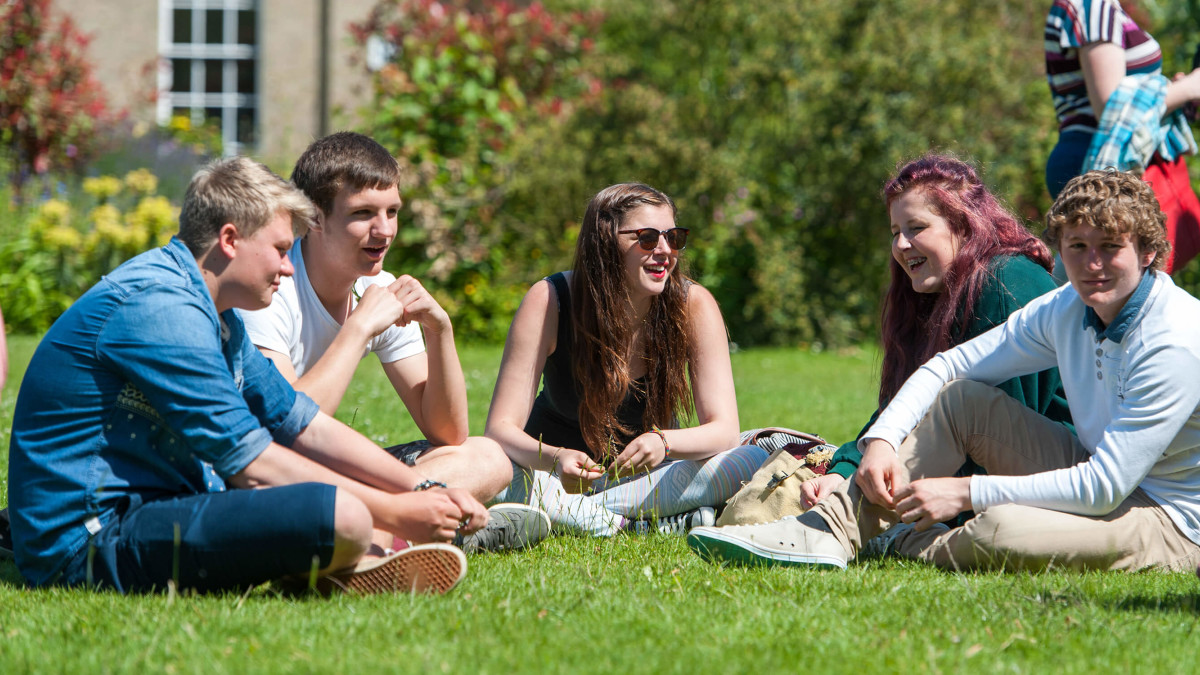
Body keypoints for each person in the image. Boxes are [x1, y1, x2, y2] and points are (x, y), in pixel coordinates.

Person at [7, 157, 487, 594]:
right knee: (345, 516)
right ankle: (355, 551)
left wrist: (420, 490)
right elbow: (249, 460)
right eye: (280, 249)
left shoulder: (218, 315)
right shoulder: (161, 308)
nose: (288, 267)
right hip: (86, 541)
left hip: (160, 506)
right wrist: (394, 511)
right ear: (230, 240)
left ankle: (345, 557)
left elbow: (299, 421)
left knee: (354, 510)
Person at [689, 169, 1200, 573]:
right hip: (1093, 469)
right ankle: (826, 530)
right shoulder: (1067, 307)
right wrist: (882, 441)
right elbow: (951, 366)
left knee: (1000, 530)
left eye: (1110, 247)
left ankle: (899, 540)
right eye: (1078, 247)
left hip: (1169, 517)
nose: (1092, 265)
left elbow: (1105, 486)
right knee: (961, 400)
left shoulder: (1173, 340)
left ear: (1149, 252)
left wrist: (966, 493)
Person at [238, 132, 549, 553]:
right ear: (314, 219)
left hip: (332, 476)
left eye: (392, 212)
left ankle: (391, 530)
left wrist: (440, 331)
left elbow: (448, 433)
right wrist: (358, 329)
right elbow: (286, 429)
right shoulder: (271, 289)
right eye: (363, 213)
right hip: (269, 473)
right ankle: (419, 531)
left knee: (489, 458)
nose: (384, 230)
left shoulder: (379, 288)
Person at [485, 182, 765, 536]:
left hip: (647, 481)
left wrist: (664, 442)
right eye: (647, 238)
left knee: (750, 460)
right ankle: (640, 524)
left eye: (673, 237)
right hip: (551, 477)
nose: (665, 250)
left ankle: (589, 518)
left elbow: (724, 431)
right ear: (604, 243)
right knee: (491, 466)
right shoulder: (550, 300)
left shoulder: (693, 305)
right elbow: (499, 430)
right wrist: (556, 459)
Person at [796, 154, 1071, 512]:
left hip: (1061, 479)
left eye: (916, 228)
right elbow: (903, 406)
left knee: (962, 402)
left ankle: (837, 523)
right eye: (895, 232)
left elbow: (994, 439)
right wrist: (845, 469)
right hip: (989, 480)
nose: (901, 244)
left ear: (965, 225)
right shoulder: (937, 292)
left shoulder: (1006, 281)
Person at [1044, 0, 1200, 272]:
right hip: (1098, 166)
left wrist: (1179, 96)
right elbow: (1111, 108)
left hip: (1100, 162)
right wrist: (1189, 87)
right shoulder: (1093, 6)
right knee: (1106, 283)